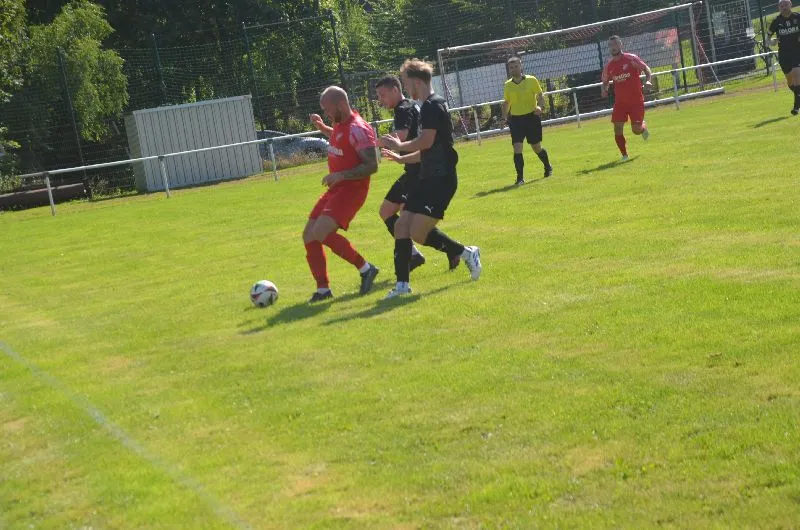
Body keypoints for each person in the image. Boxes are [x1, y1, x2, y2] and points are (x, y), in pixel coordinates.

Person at [380, 59, 482, 299]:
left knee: (418, 232)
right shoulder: (426, 105)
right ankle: (402, 286)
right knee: (402, 226)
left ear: (416, 82)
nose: (406, 89)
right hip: (426, 177)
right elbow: (428, 150)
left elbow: (426, 142)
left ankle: (467, 253)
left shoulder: (432, 106)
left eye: (406, 83)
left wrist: (400, 145)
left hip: (441, 179)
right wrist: (402, 158)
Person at [375, 75, 461, 272]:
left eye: (382, 95)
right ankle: (430, 253)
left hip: (418, 172)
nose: (380, 100)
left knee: (410, 222)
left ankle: (453, 251)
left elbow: (401, 136)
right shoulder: (410, 105)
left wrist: (369, 142)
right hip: (414, 168)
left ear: (395, 90)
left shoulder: (403, 109)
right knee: (389, 212)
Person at [304, 86, 380, 303]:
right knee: (309, 235)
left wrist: (341, 175)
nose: (326, 113)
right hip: (337, 188)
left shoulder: (358, 129)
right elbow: (339, 138)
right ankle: (323, 290)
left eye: (328, 109)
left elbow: (373, 165)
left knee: (321, 232)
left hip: (351, 190)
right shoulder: (340, 122)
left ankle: (366, 269)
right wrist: (322, 127)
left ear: (340, 104)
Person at [502, 56, 553, 185]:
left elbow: (540, 95)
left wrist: (540, 107)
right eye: (511, 67)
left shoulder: (531, 80)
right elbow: (507, 102)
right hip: (516, 120)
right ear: (509, 69)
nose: (514, 69)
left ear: (521, 66)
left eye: (516, 66)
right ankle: (520, 178)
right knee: (517, 147)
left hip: (531, 118)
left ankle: (547, 166)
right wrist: (504, 117)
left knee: (536, 147)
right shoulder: (508, 85)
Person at [601, 36, 653, 161]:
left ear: (621, 45)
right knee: (617, 128)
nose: (613, 47)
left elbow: (646, 69)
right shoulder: (609, 66)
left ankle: (643, 126)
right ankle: (624, 155)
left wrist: (648, 81)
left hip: (636, 101)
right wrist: (604, 89)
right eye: (610, 45)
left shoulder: (631, 59)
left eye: (615, 44)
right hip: (620, 103)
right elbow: (605, 81)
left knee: (636, 131)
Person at [768, 0, 800, 115]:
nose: (784, 7)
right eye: (781, 5)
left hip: (797, 52)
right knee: (790, 81)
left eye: (786, 4)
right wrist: (772, 42)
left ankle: (796, 108)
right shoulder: (776, 21)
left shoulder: (798, 17)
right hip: (784, 55)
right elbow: (768, 38)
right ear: (779, 7)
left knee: (797, 76)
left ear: (790, 5)